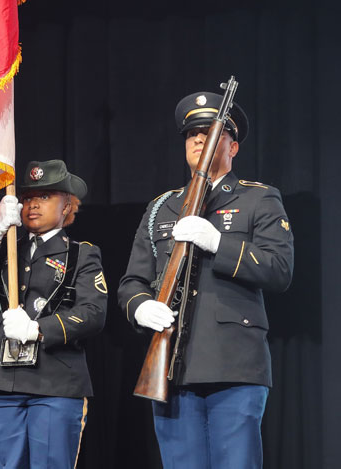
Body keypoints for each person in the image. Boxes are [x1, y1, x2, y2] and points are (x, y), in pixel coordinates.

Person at [118, 91, 294, 468]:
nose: (199, 140)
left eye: (210, 132)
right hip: (171, 366)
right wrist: (140, 307)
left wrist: (218, 243)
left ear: (233, 146)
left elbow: (279, 269)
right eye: (191, 134)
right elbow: (132, 281)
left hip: (234, 365)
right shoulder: (162, 207)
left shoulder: (258, 200)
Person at [0, 159, 107, 468]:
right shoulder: (7, 248)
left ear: (67, 205)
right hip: (0, 381)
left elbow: (93, 313)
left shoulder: (81, 254)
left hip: (54, 382)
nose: (32, 205)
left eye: (44, 196)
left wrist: (39, 330)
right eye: (27, 198)